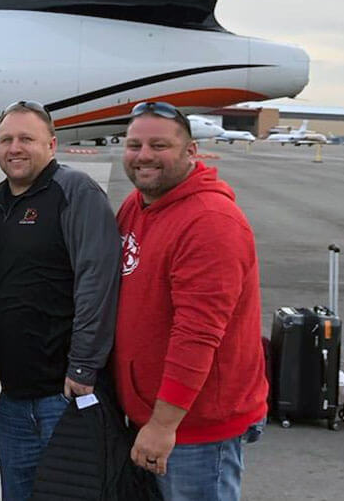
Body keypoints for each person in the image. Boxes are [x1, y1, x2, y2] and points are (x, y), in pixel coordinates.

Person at [112, 101, 268, 501]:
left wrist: (164, 424)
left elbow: (197, 335)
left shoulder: (211, 223)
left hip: (193, 430)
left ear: (191, 153)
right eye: (134, 145)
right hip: (151, 418)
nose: (144, 155)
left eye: (159, 145)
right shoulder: (138, 204)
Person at [0, 100, 121, 500]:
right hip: (14, 399)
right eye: (6, 139)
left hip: (65, 393)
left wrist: (84, 368)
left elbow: (97, 284)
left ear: (52, 145)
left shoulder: (75, 193)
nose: (14, 148)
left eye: (26, 139)